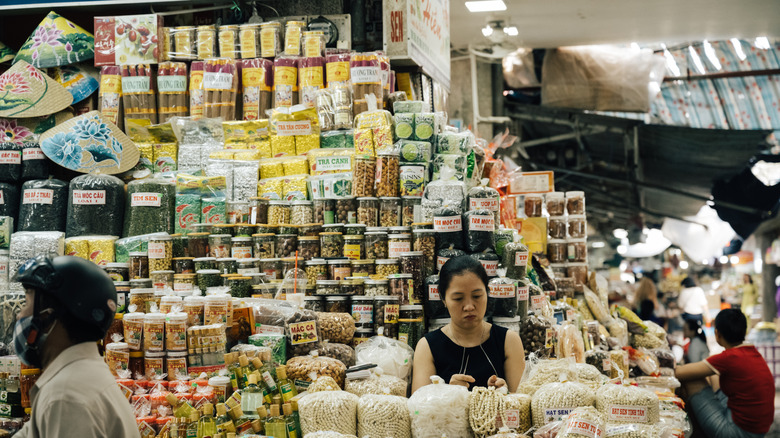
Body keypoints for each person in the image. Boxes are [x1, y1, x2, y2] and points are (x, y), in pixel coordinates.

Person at [13, 255, 139, 438]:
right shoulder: (80, 379)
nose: (19, 316)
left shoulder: (66, 397)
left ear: (50, 316)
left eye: (26, 305)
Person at [412, 256, 525, 393]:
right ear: (443, 299)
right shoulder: (427, 347)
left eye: (477, 296)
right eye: (458, 299)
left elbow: (521, 404)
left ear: (487, 293)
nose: (469, 307)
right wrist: (448, 394)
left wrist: (505, 395)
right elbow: (418, 409)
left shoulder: (509, 341)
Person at [675, 309, 774, 438]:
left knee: (691, 379)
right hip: (757, 430)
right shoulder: (752, 352)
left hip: (738, 432)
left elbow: (678, 372)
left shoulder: (729, 357)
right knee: (713, 375)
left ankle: (693, 433)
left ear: (717, 334)